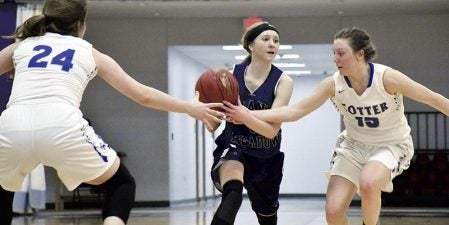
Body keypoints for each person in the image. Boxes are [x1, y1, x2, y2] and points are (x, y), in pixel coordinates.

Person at [0, 1, 224, 225]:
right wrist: (189, 107)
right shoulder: (90, 52)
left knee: (2, 187)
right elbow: (142, 95)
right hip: (62, 124)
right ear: (80, 24)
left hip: (11, 125)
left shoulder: (21, 46)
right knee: (121, 184)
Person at [224, 26, 449, 225]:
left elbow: (435, 99)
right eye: (333, 53)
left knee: (369, 183)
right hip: (353, 146)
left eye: (341, 53)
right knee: (333, 213)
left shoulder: (387, 78)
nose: (335, 58)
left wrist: (248, 115)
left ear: (360, 54)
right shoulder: (333, 83)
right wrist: (248, 114)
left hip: (390, 145)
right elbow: (295, 111)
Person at [206, 21, 294, 225]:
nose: (272, 44)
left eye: (276, 40)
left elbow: (271, 131)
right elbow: (212, 125)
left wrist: (245, 116)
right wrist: (203, 109)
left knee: (267, 216)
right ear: (251, 46)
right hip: (235, 147)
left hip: (266, 155)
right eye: (266, 39)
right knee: (233, 194)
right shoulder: (230, 76)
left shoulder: (283, 81)